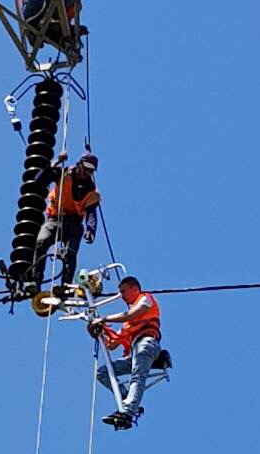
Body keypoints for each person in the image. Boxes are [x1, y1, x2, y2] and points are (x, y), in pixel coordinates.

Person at [92, 276, 165, 430]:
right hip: (136, 351)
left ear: (135, 289)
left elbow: (131, 314)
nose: (121, 296)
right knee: (102, 373)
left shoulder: (146, 298)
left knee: (137, 376)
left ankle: (127, 412)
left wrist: (104, 319)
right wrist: (98, 332)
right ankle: (128, 399)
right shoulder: (128, 324)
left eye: (123, 291)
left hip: (146, 344)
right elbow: (111, 345)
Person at [30, 151, 101, 288]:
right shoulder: (63, 174)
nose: (87, 172)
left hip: (74, 224)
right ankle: (35, 280)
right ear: (79, 164)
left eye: (91, 170)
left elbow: (91, 213)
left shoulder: (92, 192)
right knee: (41, 242)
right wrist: (57, 162)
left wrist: (91, 230)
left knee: (70, 253)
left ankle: (66, 286)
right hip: (54, 219)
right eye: (86, 167)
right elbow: (39, 181)